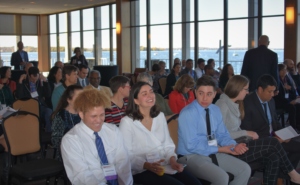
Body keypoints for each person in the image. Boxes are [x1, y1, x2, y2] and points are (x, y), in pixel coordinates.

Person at [216, 75, 300, 185]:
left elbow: (237, 129)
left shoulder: (237, 103)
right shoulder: (222, 104)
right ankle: (292, 174)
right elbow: (220, 135)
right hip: (231, 148)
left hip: (241, 143)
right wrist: (246, 133)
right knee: (273, 142)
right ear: (237, 88)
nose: (247, 92)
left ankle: (285, 177)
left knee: (273, 157)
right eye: (246, 89)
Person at [119, 82, 202, 185]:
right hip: (141, 170)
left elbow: (168, 144)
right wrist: (146, 165)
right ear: (136, 100)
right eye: (144, 94)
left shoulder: (159, 116)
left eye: (151, 92)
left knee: (196, 183)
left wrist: (172, 160)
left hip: (164, 165)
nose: (150, 96)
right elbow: (126, 156)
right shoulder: (127, 122)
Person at [177, 75, 251, 185]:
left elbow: (222, 135)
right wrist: (220, 149)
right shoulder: (188, 113)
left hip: (211, 151)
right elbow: (192, 146)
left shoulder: (215, 110)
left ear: (215, 94)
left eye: (209, 94)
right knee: (222, 178)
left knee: (245, 170)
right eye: (201, 93)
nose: (205, 98)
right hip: (190, 156)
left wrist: (234, 145)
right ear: (195, 92)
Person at [60, 89, 133, 185]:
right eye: (93, 116)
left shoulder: (113, 130)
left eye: (102, 115)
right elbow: (82, 175)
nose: (99, 120)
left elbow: (123, 162)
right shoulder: (71, 140)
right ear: (81, 114)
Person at [241, 75, 300, 182]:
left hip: (275, 138)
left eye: (274, 91)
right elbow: (247, 133)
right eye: (270, 91)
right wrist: (273, 140)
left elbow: (275, 123)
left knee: (298, 147)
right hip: (260, 142)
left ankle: (283, 175)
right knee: (275, 155)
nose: (272, 94)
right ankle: (287, 176)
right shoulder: (247, 103)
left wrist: (284, 134)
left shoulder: (270, 100)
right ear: (260, 89)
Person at [51, 85, 83, 160]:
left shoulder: (85, 113)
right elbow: (56, 141)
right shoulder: (60, 116)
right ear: (68, 99)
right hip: (68, 152)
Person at [17, 67, 53, 132]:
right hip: (28, 106)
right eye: (32, 79)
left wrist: (45, 81)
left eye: (36, 79)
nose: (34, 81)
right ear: (29, 75)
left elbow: (48, 95)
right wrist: (20, 82)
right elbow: (19, 96)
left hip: (40, 105)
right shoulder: (24, 82)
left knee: (49, 112)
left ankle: (49, 134)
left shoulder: (40, 81)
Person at [274, 64, 300, 131]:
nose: (284, 71)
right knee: (292, 108)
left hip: (287, 99)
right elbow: (278, 96)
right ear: (278, 71)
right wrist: (289, 102)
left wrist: (291, 89)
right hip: (280, 102)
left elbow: (292, 91)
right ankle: (293, 128)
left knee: (298, 105)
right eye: (282, 70)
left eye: (285, 70)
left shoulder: (286, 79)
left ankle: (298, 125)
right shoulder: (277, 81)